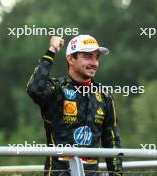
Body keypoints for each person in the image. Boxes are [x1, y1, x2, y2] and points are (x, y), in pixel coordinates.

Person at [26, 35, 122, 176]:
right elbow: (34, 89)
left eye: (96, 58)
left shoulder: (104, 95)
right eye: (88, 57)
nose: (94, 62)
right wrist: (51, 51)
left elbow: (112, 140)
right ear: (71, 59)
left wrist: (117, 174)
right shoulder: (57, 89)